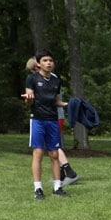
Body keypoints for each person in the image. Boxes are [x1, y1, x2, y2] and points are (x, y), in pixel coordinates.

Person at [23, 51, 69, 199]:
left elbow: (57, 101)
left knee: (54, 154)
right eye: (45, 60)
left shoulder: (56, 81)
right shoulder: (32, 79)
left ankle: (57, 187)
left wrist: (69, 104)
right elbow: (29, 102)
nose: (48, 63)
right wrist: (29, 99)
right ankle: (38, 189)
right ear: (38, 63)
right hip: (37, 119)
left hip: (53, 120)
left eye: (50, 60)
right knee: (38, 153)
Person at [26, 57, 79, 185]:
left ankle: (68, 170)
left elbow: (55, 100)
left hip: (55, 117)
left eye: (34, 70)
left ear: (37, 67)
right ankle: (61, 175)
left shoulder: (52, 78)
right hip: (43, 117)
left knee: (54, 146)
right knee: (47, 148)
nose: (34, 72)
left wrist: (67, 104)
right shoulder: (35, 79)